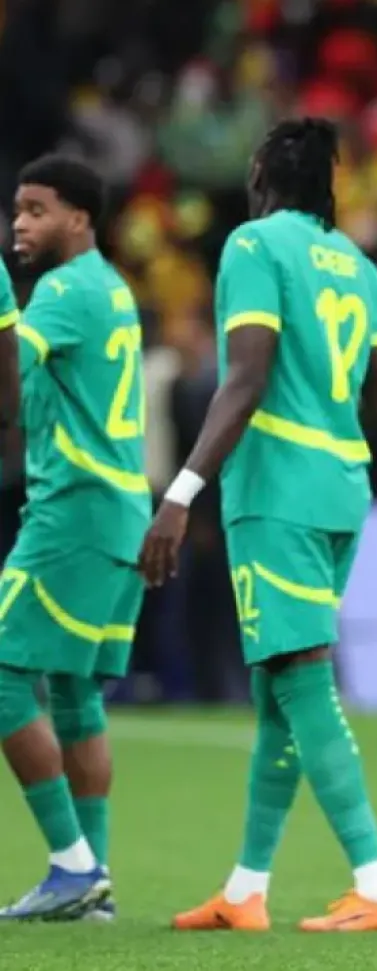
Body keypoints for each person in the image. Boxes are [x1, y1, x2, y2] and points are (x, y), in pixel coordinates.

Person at [136, 118, 377, 933]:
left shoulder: (254, 247)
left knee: (298, 676)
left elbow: (246, 374)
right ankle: (246, 888)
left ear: (260, 172)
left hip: (278, 487)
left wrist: (182, 491)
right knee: (276, 690)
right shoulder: (358, 265)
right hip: (343, 482)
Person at [0, 155, 145, 921]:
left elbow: (5, 389)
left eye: (36, 209)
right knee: (73, 692)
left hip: (75, 513)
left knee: (0, 676)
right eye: (15, 211)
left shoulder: (60, 292)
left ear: (80, 218)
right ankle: (92, 884)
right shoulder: (112, 288)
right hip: (118, 510)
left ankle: (72, 863)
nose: (19, 224)